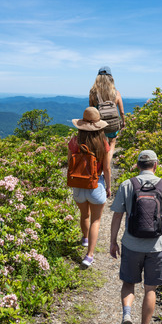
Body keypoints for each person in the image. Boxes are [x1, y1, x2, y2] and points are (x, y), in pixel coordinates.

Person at [109, 150, 162, 324]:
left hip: (131, 244)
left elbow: (117, 215)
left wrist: (113, 241)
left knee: (128, 283)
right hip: (157, 246)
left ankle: (126, 315)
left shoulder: (127, 185)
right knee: (150, 289)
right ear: (155, 165)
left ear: (138, 165)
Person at [68, 107, 113, 269]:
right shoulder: (103, 143)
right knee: (96, 220)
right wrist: (108, 187)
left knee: (84, 215)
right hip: (96, 185)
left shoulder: (74, 141)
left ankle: (85, 238)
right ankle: (89, 255)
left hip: (78, 186)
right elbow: (107, 169)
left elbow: (69, 164)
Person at [89, 66, 126, 153]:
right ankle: (107, 165)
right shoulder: (116, 93)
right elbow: (122, 111)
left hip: (99, 123)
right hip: (113, 123)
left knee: (101, 143)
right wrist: (123, 121)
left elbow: (91, 110)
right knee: (112, 142)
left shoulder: (93, 92)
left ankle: (101, 163)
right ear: (111, 78)